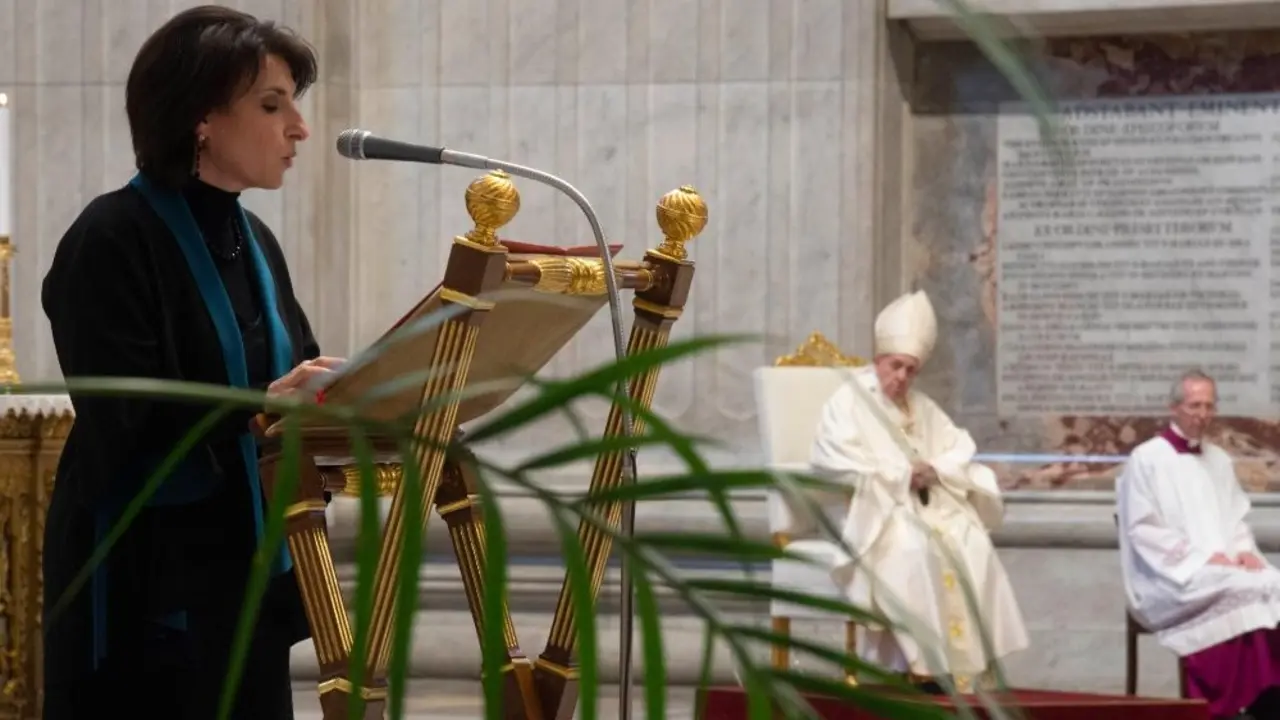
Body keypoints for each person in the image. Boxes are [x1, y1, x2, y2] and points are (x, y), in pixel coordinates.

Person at [40, 6, 344, 719]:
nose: (298, 127)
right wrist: (267, 404)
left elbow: (289, 375)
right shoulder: (111, 238)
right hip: (145, 592)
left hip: (244, 580)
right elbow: (126, 417)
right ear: (200, 118)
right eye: (273, 105)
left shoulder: (254, 239)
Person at [809, 290, 1028, 690]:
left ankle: (967, 669)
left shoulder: (922, 405)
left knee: (972, 540)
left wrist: (935, 469)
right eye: (896, 367)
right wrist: (900, 475)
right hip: (872, 510)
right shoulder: (848, 402)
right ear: (878, 360)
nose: (903, 378)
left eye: (911, 370)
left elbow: (958, 446)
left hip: (921, 507)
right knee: (912, 547)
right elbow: (831, 461)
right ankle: (920, 666)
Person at [1117, 370, 1280, 719]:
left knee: (1270, 580)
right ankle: (1226, 704)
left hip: (1223, 567)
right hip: (1170, 576)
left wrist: (1245, 552)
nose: (1202, 414)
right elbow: (1143, 529)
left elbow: (1235, 518)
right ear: (1174, 407)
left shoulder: (1219, 459)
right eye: (1194, 405)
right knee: (1243, 589)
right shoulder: (1147, 458)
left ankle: (1266, 697)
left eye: (1209, 406)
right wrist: (1203, 559)